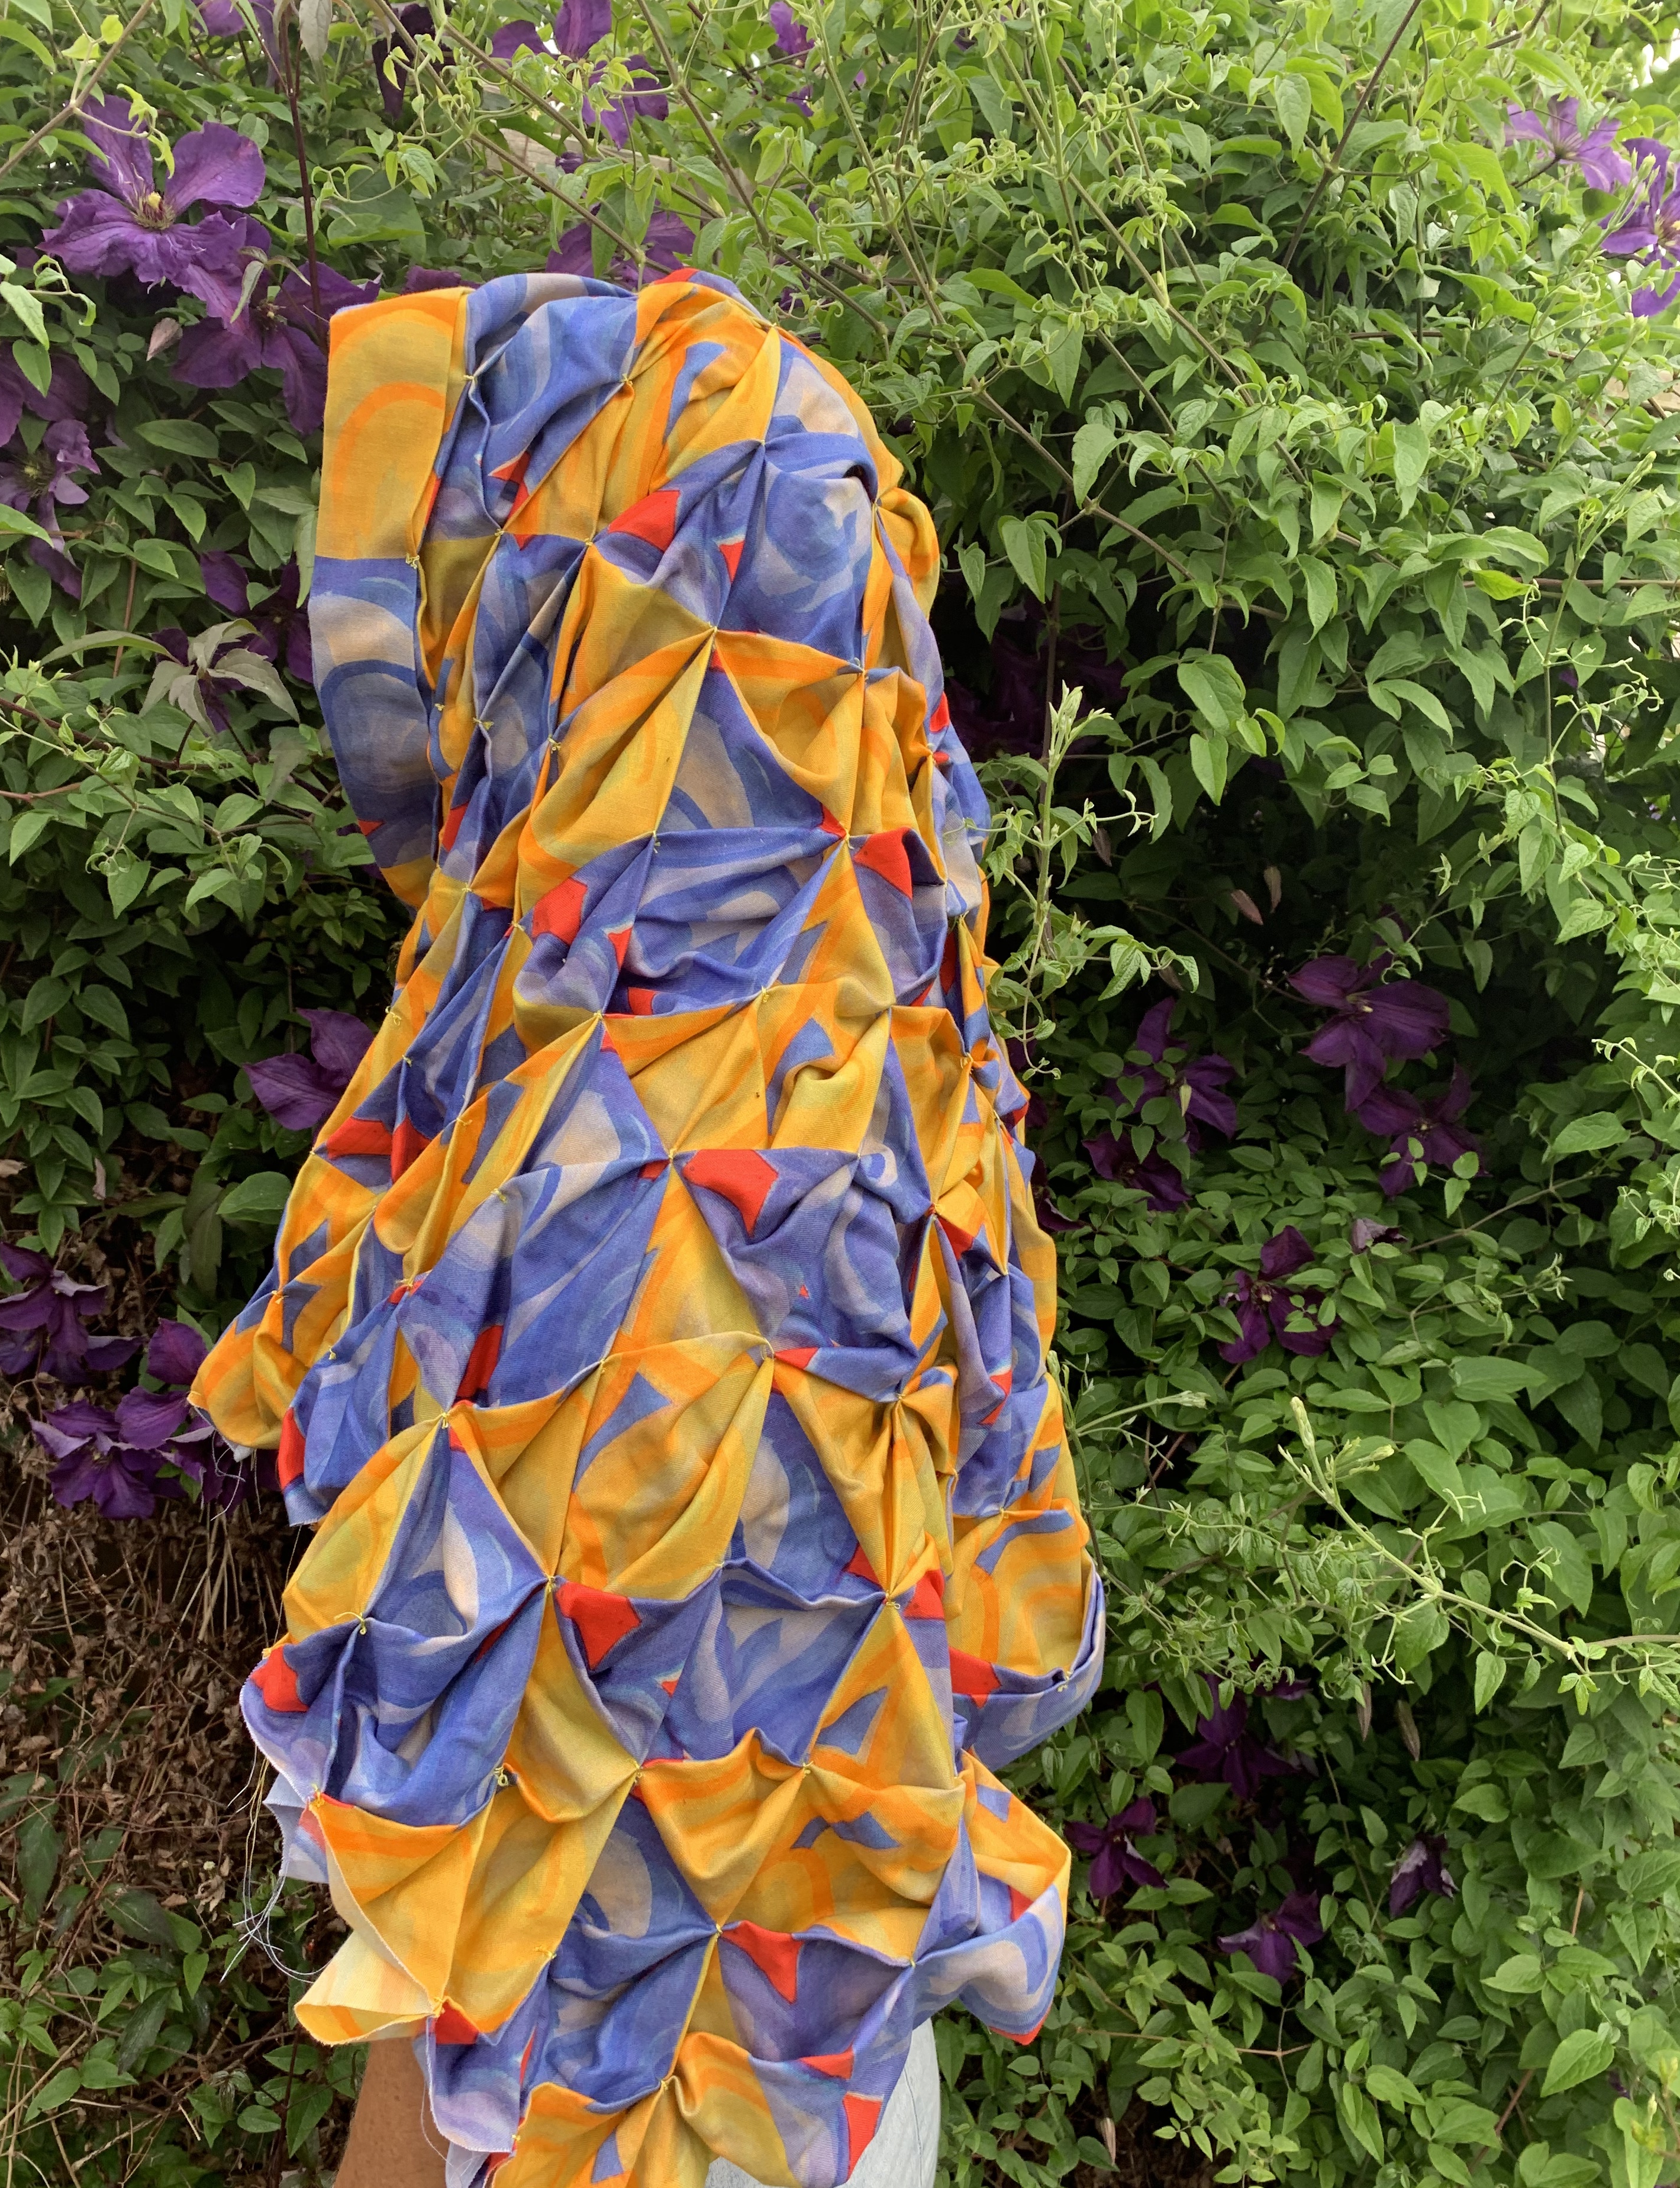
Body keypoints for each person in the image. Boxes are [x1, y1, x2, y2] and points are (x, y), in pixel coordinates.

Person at [193, 267, 1104, 2188]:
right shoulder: (907, 1085)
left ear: (579, 617)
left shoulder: (588, 1169)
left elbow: (468, 1896)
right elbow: (1013, 1637)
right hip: (839, 2084)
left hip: (612, 2120)